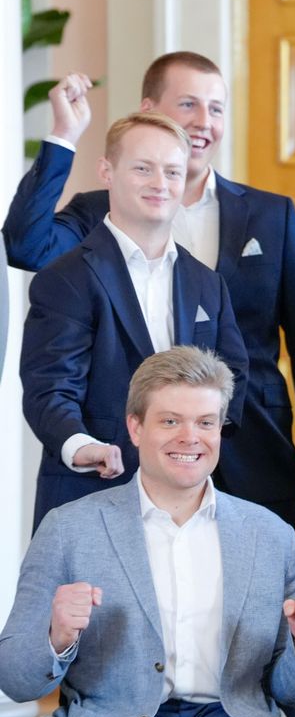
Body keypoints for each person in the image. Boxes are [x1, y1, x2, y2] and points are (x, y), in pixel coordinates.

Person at [3, 52, 295, 533]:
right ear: (150, 109)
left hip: (249, 459)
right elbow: (25, 244)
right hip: (112, 471)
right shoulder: (94, 215)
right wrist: (63, 135)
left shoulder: (271, 218)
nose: (203, 122)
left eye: (216, 108)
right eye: (188, 104)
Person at [0, 346, 295, 717]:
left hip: (233, 716)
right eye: (170, 421)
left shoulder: (269, 535)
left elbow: (290, 688)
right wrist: (56, 636)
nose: (189, 437)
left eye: (205, 423)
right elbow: (16, 679)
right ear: (135, 428)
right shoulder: (69, 529)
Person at [19, 111, 247, 532]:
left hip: (189, 504)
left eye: (172, 172)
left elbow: (232, 376)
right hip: (90, 496)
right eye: (143, 168)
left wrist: (196, 441)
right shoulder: (64, 279)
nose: (160, 183)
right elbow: (50, 388)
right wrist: (82, 446)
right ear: (107, 171)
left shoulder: (207, 283)